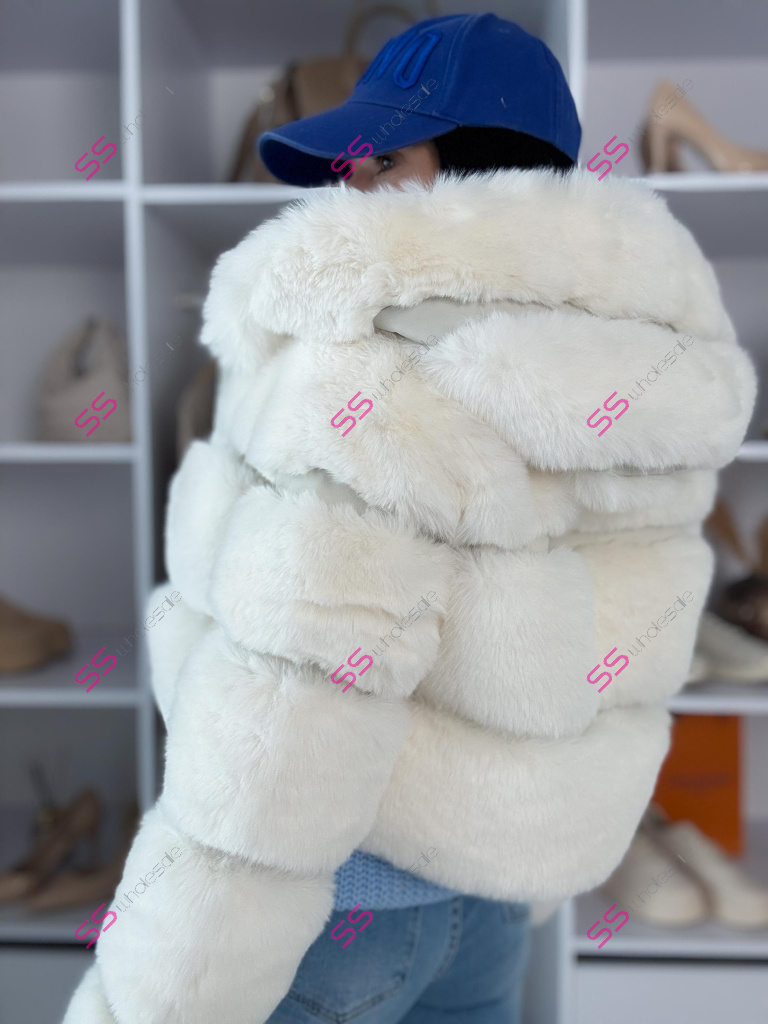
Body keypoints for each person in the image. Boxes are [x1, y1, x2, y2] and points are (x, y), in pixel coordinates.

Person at [62, 13, 755, 1024]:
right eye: (347, 161)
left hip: (343, 907)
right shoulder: (645, 357)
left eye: (383, 157)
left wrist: (155, 999)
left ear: (485, 163)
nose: (349, 183)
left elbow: (292, 710)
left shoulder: (376, 364)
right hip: (490, 908)